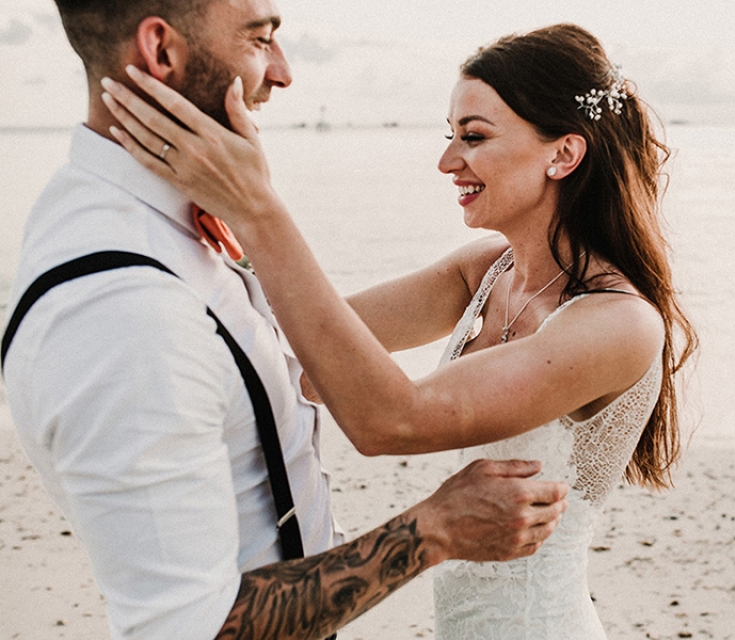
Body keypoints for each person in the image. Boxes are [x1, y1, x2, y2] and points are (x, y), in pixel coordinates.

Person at [102, 22, 698, 638]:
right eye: (450, 136)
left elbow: (391, 419)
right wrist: (208, 216)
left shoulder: (618, 324)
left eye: (473, 136)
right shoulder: (487, 272)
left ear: (563, 154)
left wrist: (259, 207)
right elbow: (303, 341)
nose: (447, 161)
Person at [0, 2, 570, 640]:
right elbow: (192, 628)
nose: (283, 73)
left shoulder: (171, 233)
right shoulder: (124, 309)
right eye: (260, 39)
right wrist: (433, 530)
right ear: (161, 51)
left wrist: (253, 211)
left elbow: (313, 359)